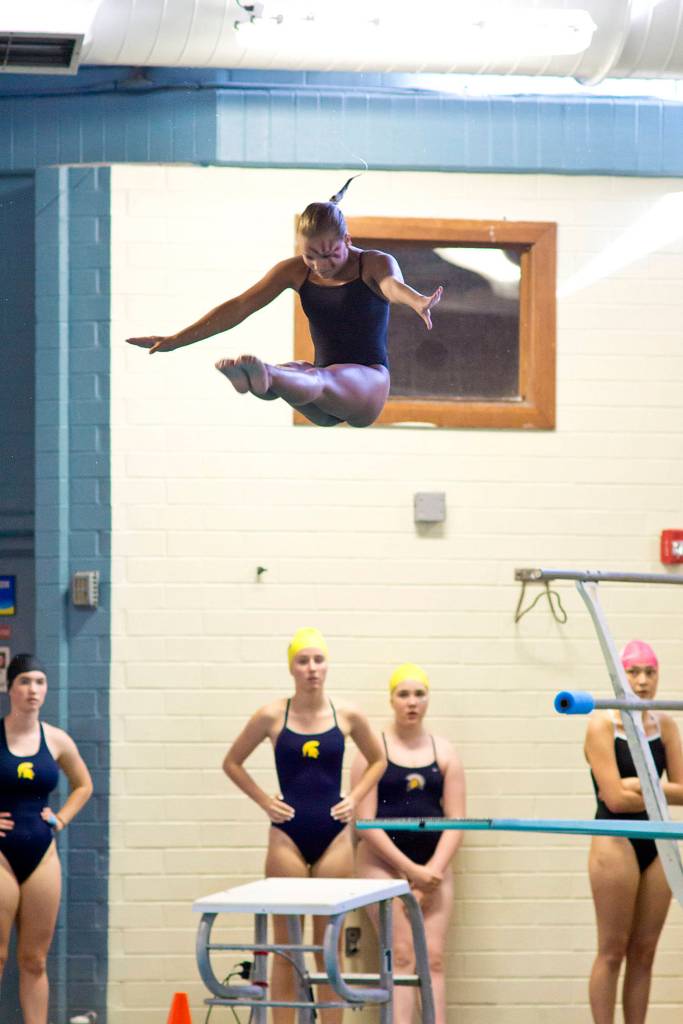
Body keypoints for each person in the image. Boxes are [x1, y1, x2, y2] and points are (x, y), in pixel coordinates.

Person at [126, 177, 443, 427]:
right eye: (311, 256)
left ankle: (267, 376)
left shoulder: (372, 263)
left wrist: (416, 301)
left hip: (368, 385)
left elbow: (392, 286)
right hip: (321, 396)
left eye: (331, 254)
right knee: (301, 372)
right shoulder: (294, 271)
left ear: (347, 240)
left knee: (315, 378)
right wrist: (176, 340)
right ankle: (259, 381)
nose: (320, 265)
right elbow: (240, 306)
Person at [222, 628, 385, 1022]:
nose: (312, 668)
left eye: (318, 660)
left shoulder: (346, 714)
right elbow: (231, 762)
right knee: (286, 947)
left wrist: (354, 797)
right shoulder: (271, 715)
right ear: (291, 668)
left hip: (334, 838)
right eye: (303, 661)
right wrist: (265, 801)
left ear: (327, 665)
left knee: (328, 948)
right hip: (287, 838)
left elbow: (379, 759)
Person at [351, 663, 465, 1024]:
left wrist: (432, 870)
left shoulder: (445, 752)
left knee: (432, 957)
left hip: (434, 865)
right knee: (401, 955)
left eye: (419, 694)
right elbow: (364, 823)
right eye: (404, 694)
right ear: (391, 700)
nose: (412, 702)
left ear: (428, 699)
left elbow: (457, 821)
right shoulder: (372, 753)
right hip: (382, 863)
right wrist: (409, 870)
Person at [585, 640, 683, 1024]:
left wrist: (640, 785)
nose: (642, 682)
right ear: (618, 675)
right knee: (612, 950)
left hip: (659, 840)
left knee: (644, 952)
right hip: (615, 839)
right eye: (633, 672)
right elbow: (613, 798)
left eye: (650, 672)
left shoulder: (666, 724)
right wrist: (651, 790)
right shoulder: (601, 724)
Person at [0, 654, 93, 1024]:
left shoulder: (55, 739)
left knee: (35, 960)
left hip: (41, 854)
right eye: (24, 681)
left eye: (39, 682)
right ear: (10, 687)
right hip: (1, 856)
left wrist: (61, 819)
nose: (32, 690)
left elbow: (83, 784)